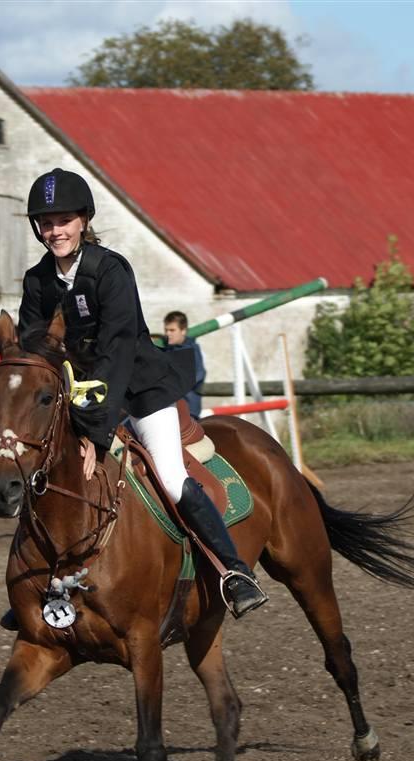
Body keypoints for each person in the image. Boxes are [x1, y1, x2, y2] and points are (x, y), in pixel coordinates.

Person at [17, 167, 267, 619]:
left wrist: (94, 432)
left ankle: (234, 572)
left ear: (84, 220)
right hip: (79, 400)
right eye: (47, 222)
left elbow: (116, 353)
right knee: (44, 473)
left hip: (137, 390)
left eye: (64, 220)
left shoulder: (111, 270)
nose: (55, 230)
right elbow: (37, 352)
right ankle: (41, 583)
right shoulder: (37, 281)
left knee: (170, 476)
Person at [162, 311, 205, 420]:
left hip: (187, 410)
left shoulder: (191, 351)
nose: (168, 334)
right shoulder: (168, 350)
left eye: (172, 330)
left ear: (183, 331)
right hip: (169, 408)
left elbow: (196, 376)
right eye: (166, 330)